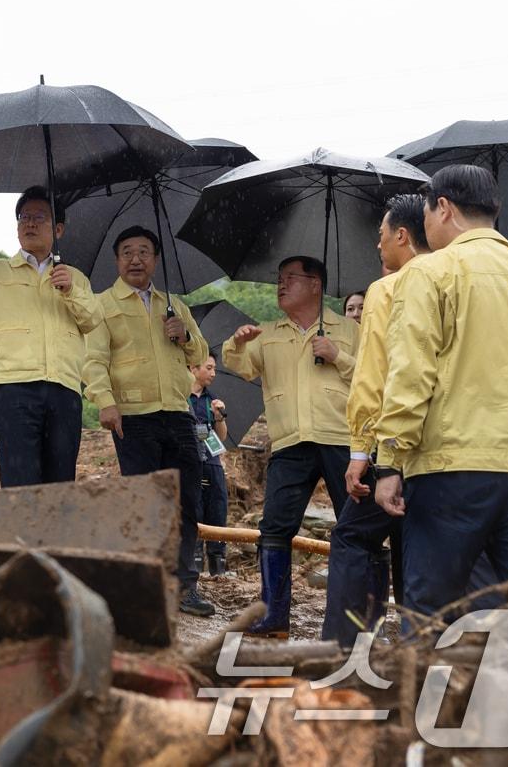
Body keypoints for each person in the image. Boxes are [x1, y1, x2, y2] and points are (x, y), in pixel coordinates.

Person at [374, 165, 508, 632]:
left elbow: (411, 374)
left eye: (428, 212)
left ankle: (429, 701)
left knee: (432, 608)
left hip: (451, 470)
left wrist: (390, 460)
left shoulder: (430, 274)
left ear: (444, 209)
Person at [223, 256, 358, 637]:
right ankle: (274, 617)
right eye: (279, 279)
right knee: (274, 528)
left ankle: (354, 622)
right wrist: (237, 342)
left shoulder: (348, 330)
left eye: (290, 279)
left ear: (315, 285)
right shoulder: (267, 333)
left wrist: (337, 355)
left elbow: (372, 376)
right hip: (289, 443)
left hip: (342, 440)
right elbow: (238, 364)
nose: (281, 285)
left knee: (355, 529)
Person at [0, 185, 102, 486]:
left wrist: (70, 291)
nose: (30, 224)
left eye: (40, 217)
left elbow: (91, 321)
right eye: (24, 217)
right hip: (14, 390)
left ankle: (54, 535)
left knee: (60, 485)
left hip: (65, 390)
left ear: (59, 229)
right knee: (20, 483)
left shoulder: (74, 278)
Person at [85, 226, 213, 616]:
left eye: (144, 252)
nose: (136, 259)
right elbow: (92, 361)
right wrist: (105, 403)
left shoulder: (173, 304)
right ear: (117, 260)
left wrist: (184, 333)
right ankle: (145, 584)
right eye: (127, 252)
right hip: (133, 417)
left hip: (177, 411)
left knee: (185, 501)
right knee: (143, 502)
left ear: (155, 260)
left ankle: (183, 585)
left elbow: (202, 353)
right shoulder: (103, 305)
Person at [322, 194, 425, 648]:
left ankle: (345, 646)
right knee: (414, 548)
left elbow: (374, 378)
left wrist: (364, 452)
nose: (378, 247)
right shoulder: (461, 283)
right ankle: (416, 646)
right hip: (446, 452)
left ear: (402, 235)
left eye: (381, 237)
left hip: (393, 446)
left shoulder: (388, 290)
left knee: (351, 539)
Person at [188, 352, 233, 578]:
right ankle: (194, 569)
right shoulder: (179, 398)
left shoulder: (212, 399)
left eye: (215, 368)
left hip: (212, 462)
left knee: (217, 511)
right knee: (192, 512)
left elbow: (221, 437)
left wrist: (219, 417)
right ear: (193, 368)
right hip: (188, 464)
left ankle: (218, 570)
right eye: (209, 368)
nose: (213, 373)